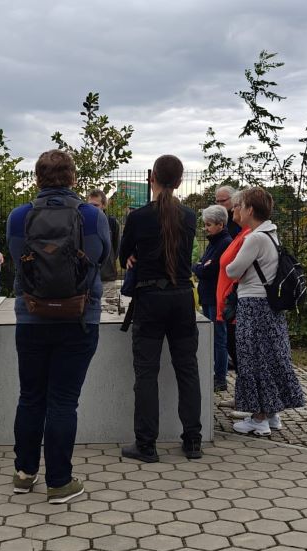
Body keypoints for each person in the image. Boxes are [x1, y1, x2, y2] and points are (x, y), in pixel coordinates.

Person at [7, 149, 111, 504]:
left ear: (37, 178)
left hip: (32, 318)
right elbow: (101, 260)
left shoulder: (19, 217)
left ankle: (24, 474)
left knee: (30, 396)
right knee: (64, 401)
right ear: (73, 179)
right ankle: (59, 482)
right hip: (79, 318)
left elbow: (20, 266)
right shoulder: (91, 216)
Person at [119, 155, 204, 462]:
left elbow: (123, 253)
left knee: (146, 374)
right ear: (180, 182)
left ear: (150, 178)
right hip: (182, 296)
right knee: (188, 370)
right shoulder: (190, 216)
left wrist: (132, 258)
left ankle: (146, 444)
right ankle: (193, 440)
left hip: (150, 299)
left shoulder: (139, 217)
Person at [224, 187, 304, 436]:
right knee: (268, 358)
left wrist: (231, 265)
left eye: (241, 205)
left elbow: (232, 271)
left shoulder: (255, 238)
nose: (237, 209)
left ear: (250, 209)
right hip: (268, 307)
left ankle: (258, 419)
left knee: (252, 359)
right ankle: (271, 414)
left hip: (253, 305)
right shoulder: (271, 234)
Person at [193, 205, 232, 392]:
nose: (206, 228)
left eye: (209, 224)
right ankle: (215, 373)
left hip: (216, 296)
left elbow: (209, 269)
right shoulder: (213, 242)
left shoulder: (224, 242)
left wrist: (200, 267)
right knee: (213, 336)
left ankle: (220, 377)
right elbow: (201, 265)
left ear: (220, 224)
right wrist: (200, 266)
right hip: (208, 294)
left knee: (219, 338)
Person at [214, 185, 240, 372]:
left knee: (228, 335)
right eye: (217, 201)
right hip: (221, 284)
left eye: (223, 201)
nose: (220, 204)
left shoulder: (238, 225)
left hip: (234, 287)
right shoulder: (220, 221)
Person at [86, 189, 121, 309]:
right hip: (88, 276)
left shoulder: (112, 223)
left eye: (96, 205)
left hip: (108, 275)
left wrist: (110, 261)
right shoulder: (82, 221)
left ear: (104, 205)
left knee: (109, 312)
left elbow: (116, 247)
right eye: (90, 205)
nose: (93, 208)